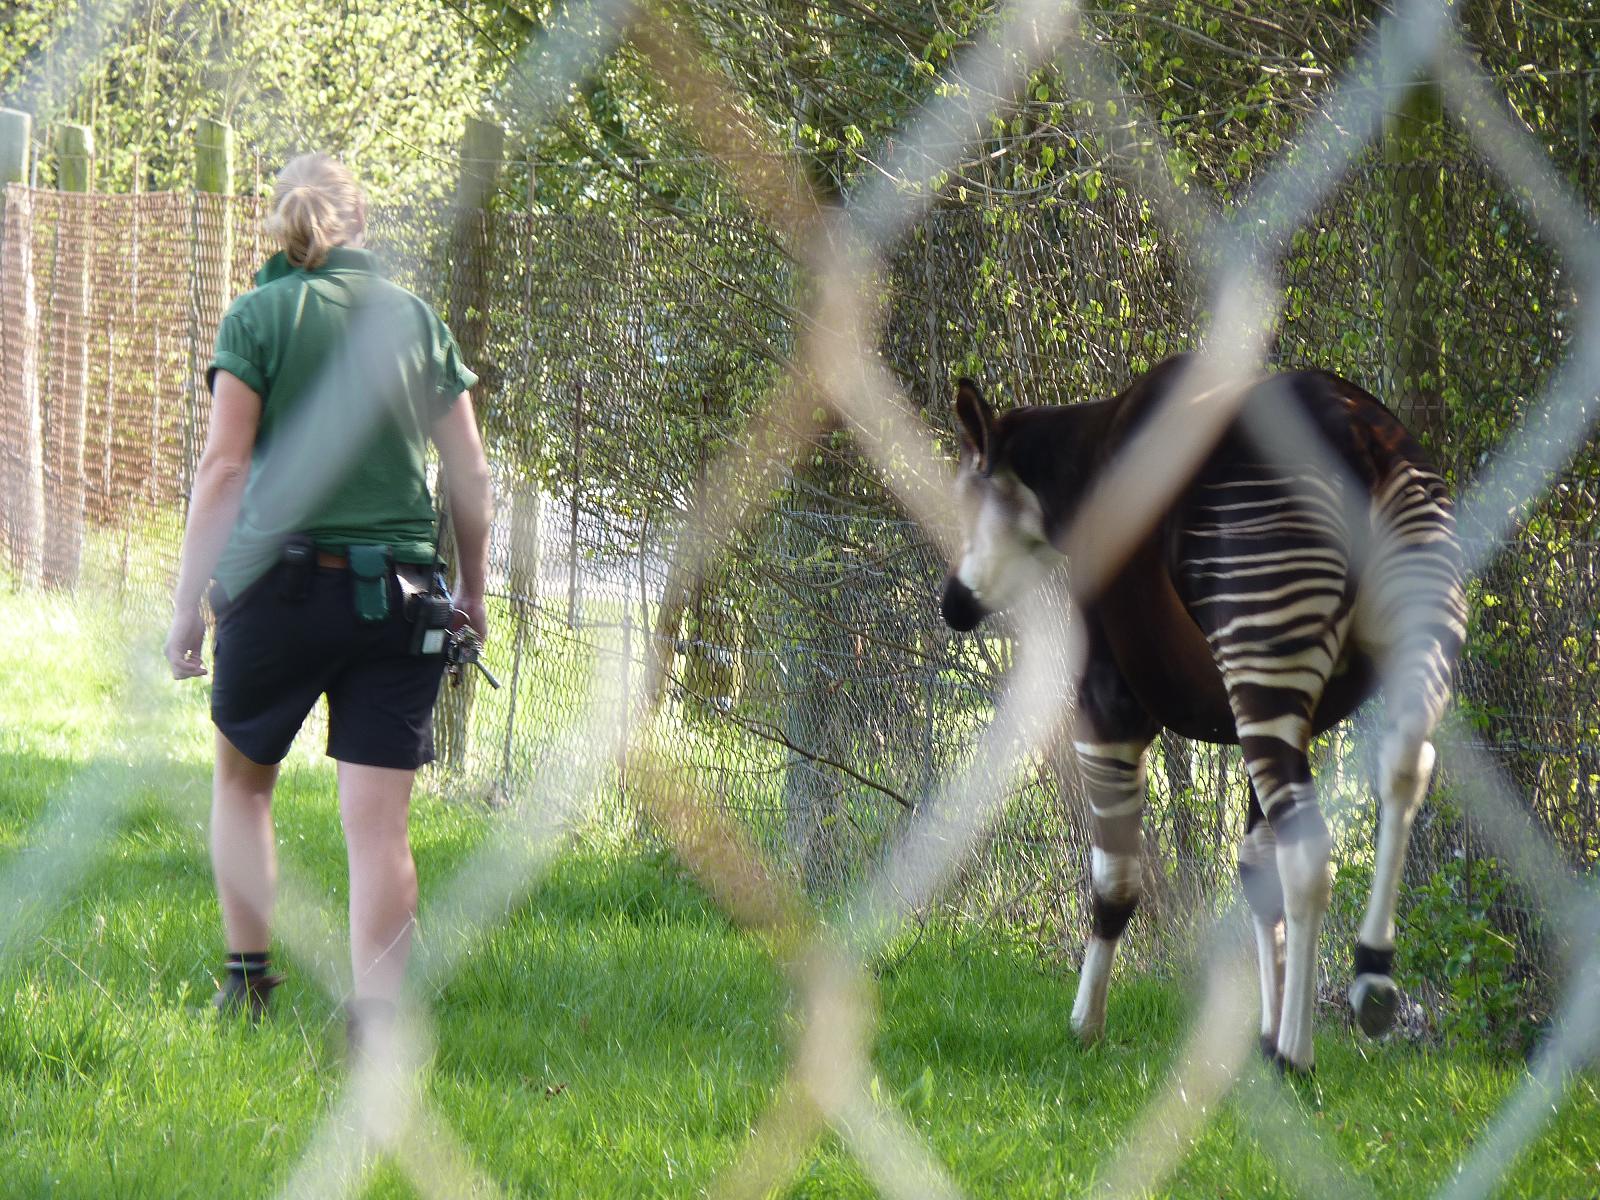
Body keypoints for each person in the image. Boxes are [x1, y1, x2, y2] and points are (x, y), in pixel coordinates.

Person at [163, 152, 492, 1055]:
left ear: (279, 224)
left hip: (278, 589)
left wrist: (188, 606)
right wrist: (471, 586)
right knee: (379, 825)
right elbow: (468, 471)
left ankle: (247, 983)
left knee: (242, 784)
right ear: (364, 222)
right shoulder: (413, 320)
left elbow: (224, 468)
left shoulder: (259, 315)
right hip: (401, 595)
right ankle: (377, 1025)